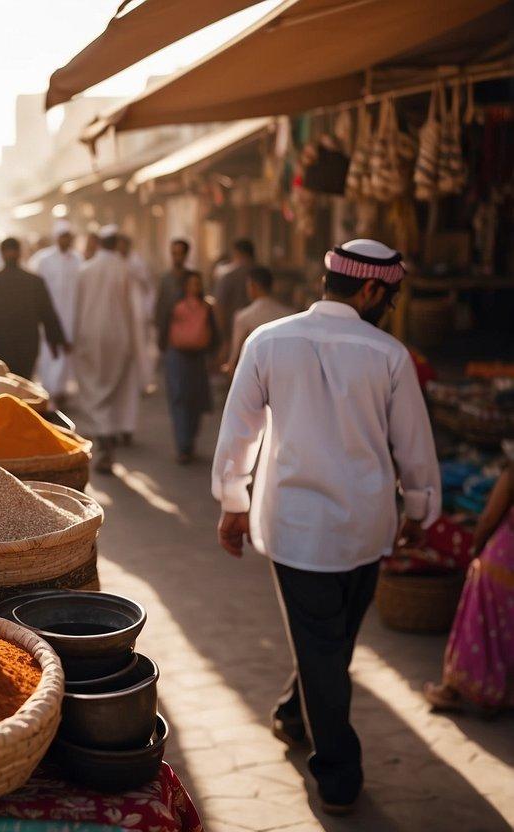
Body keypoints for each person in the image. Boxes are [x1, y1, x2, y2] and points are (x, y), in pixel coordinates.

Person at [212, 239, 439, 815]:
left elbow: (239, 431)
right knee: (329, 642)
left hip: (294, 526)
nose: (388, 306)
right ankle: (338, 773)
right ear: (369, 290)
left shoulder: (267, 341)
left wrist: (232, 500)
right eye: (388, 296)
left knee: (325, 642)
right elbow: (414, 444)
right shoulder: (389, 355)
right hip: (365, 526)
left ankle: (295, 713)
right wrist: (420, 507)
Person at [424, 458, 514, 715]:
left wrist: (476, 548)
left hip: (501, 563)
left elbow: (488, 519)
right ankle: (504, 692)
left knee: (477, 625)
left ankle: (453, 690)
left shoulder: (512, 473)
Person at [71, 226, 138, 474]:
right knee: (115, 386)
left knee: (93, 386)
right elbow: (135, 309)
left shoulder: (85, 269)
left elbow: (76, 307)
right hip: (119, 336)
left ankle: (104, 437)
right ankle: (109, 437)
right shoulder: (125, 269)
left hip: (90, 335)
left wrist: (74, 335)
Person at [0, 238, 66, 378]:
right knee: (23, 386)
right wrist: (56, 339)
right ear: (19, 253)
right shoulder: (34, 281)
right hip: (26, 345)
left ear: (1, 254)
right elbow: (48, 314)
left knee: (2, 385)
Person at [158, 272, 219, 464]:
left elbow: (214, 332)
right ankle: (183, 445)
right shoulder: (176, 305)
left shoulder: (207, 307)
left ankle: (189, 440)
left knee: (195, 399)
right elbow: (164, 328)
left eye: (197, 284)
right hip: (177, 355)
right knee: (180, 399)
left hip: (197, 357)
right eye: (191, 284)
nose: (194, 288)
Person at [29, 219, 81, 401]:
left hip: (71, 313)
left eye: (68, 237)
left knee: (66, 353)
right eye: (62, 237)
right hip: (48, 314)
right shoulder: (43, 260)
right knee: (49, 352)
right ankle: (49, 391)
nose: (65, 240)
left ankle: (60, 391)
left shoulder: (77, 260)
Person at [117, 233, 152, 446]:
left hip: (134, 330)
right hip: (115, 334)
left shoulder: (135, 264)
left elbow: (146, 287)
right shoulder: (110, 267)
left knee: (128, 381)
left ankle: (126, 426)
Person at [225, 267, 293, 375]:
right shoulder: (289, 314)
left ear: (252, 286)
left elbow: (235, 357)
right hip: (284, 370)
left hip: (256, 373)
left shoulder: (244, 316)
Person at [213, 238, 256, 363]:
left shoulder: (228, 276)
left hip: (233, 332)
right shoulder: (260, 273)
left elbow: (219, 307)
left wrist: (224, 338)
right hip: (258, 331)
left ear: (237, 253)